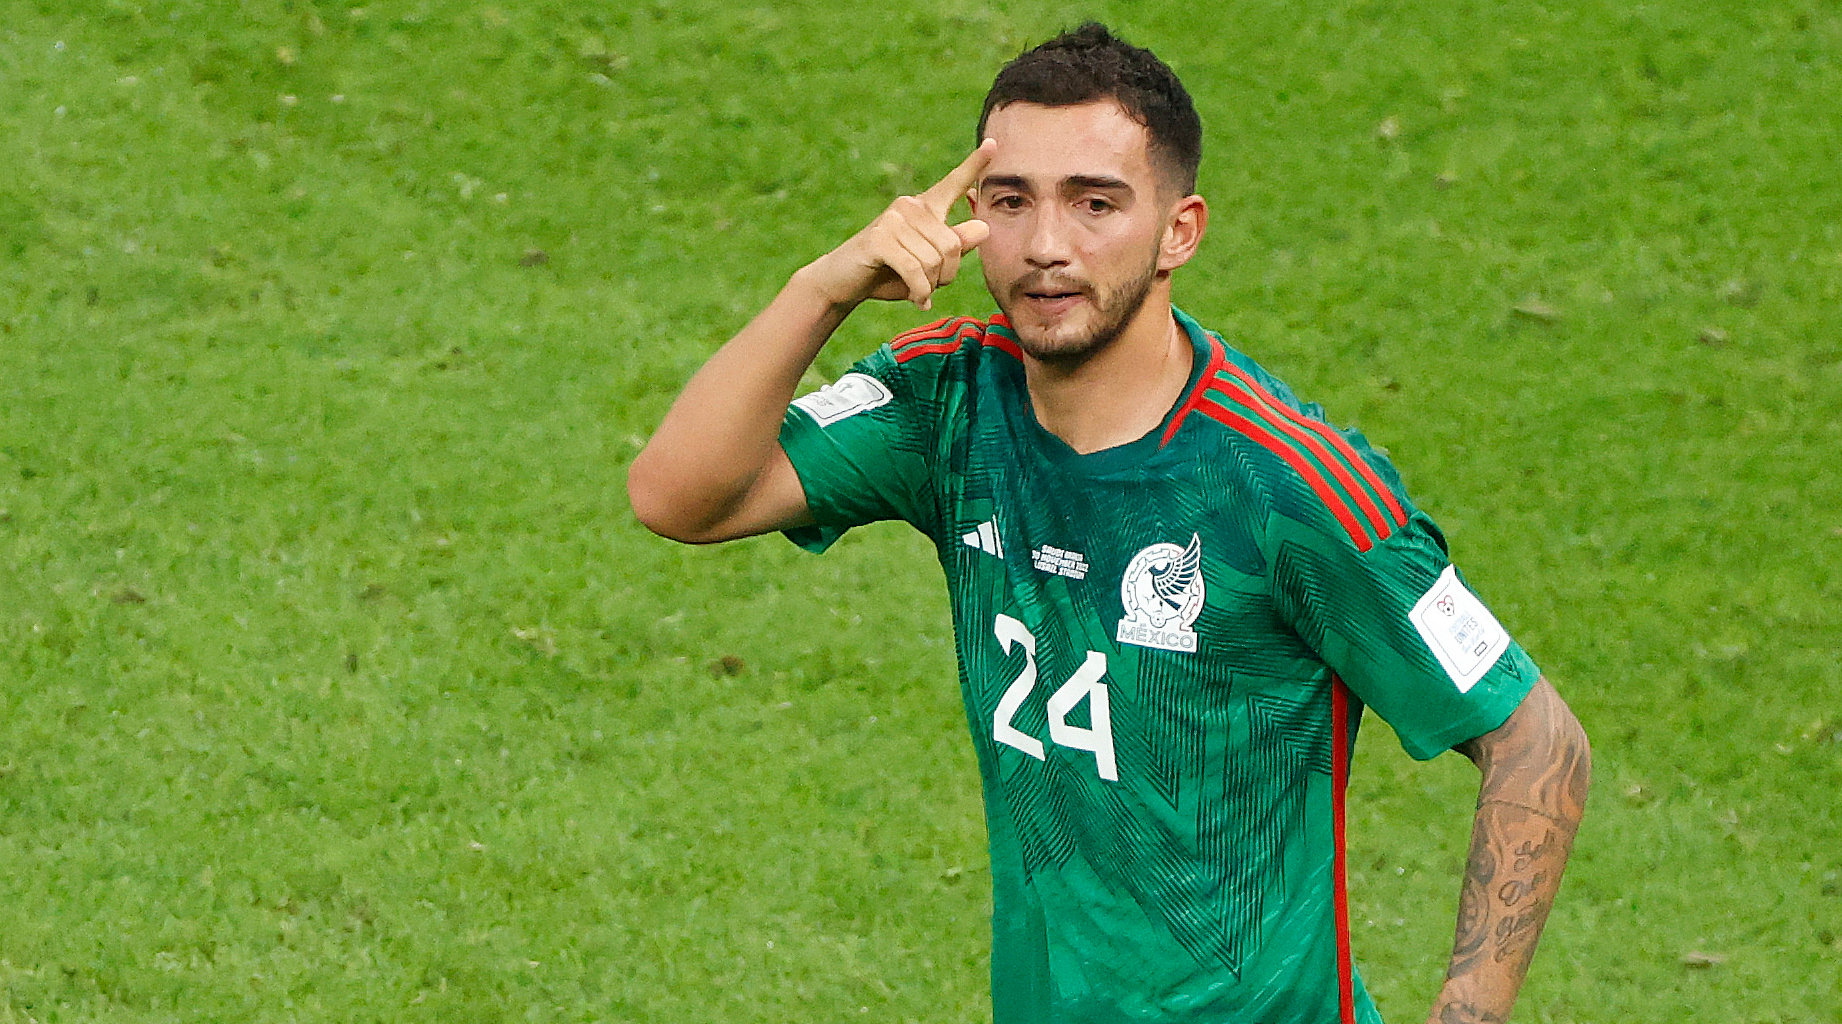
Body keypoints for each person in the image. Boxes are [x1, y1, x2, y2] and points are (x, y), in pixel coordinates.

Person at [628, 22, 1590, 1024]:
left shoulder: (1290, 486)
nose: (1047, 246)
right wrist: (822, 287)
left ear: (1180, 231)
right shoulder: (949, 399)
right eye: (1011, 200)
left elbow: (1537, 740)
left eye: (1095, 203)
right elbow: (679, 496)